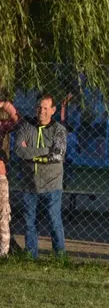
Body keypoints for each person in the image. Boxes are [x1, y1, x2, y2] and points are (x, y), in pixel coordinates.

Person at [14, 94, 67, 259]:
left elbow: (58, 155)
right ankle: (31, 256)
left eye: (45, 108)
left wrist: (31, 154)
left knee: (53, 220)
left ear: (53, 110)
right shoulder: (25, 127)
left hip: (52, 183)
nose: (41, 111)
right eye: (39, 107)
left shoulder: (59, 130)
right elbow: (19, 151)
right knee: (30, 223)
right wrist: (46, 151)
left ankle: (60, 257)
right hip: (30, 183)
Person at [0, 96, 20, 257]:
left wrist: (5, 105)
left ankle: (4, 251)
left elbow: (16, 121)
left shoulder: (1, 126)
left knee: (3, 214)